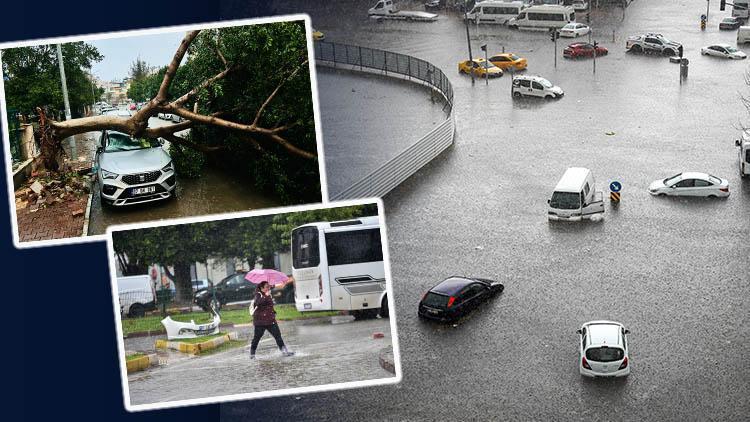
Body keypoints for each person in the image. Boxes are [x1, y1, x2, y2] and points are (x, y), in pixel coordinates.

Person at [250, 281, 294, 359]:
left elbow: (269, 306)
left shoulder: (268, 294)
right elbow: (258, 303)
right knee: (256, 338)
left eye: (269, 286)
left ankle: (284, 351)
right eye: (266, 287)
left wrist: (273, 312)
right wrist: (265, 296)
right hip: (260, 322)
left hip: (270, 320)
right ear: (262, 288)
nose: (268, 288)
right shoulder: (258, 294)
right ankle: (252, 354)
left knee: (278, 336)